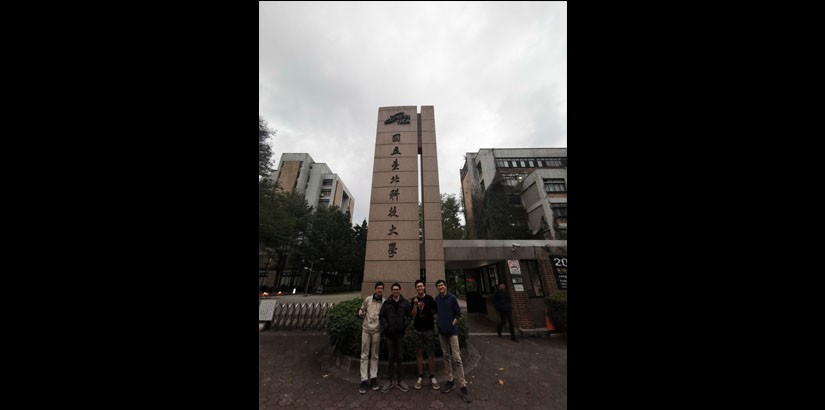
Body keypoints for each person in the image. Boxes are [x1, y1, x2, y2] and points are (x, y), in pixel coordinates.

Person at [434, 279, 471, 403]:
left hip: (452, 332)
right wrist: (438, 324)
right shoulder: (437, 299)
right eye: (438, 286)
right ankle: (450, 380)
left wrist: (453, 323)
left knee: (457, 358)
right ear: (437, 288)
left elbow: (458, 313)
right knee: (445, 356)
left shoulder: (452, 298)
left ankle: (463, 385)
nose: (440, 287)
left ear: (445, 286)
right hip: (442, 332)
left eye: (442, 285)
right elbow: (436, 313)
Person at [379, 282, 411, 392]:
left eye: (397, 289)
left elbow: (409, 316)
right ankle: (389, 380)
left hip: (400, 334)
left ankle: (400, 380)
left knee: (400, 357)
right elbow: (382, 316)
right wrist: (386, 327)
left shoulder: (405, 303)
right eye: (394, 289)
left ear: (400, 290)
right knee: (391, 356)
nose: (395, 291)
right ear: (391, 291)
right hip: (389, 334)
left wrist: (404, 325)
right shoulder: (387, 303)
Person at [411, 280, 440, 390]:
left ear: (424, 287)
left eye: (421, 286)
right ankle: (420, 375)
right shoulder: (414, 300)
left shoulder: (430, 299)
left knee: (431, 353)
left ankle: (432, 376)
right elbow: (413, 315)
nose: (420, 288)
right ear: (416, 288)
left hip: (429, 330)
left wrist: (435, 320)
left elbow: (435, 312)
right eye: (418, 286)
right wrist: (414, 304)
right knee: (419, 352)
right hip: (417, 330)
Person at [358, 282, 384, 394]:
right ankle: (364, 379)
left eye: (381, 288)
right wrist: (361, 313)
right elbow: (361, 310)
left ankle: (373, 377)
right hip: (366, 330)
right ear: (375, 289)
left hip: (377, 331)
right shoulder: (368, 299)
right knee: (364, 355)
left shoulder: (384, 301)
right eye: (378, 288)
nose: (379, 290)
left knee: (375, 355)